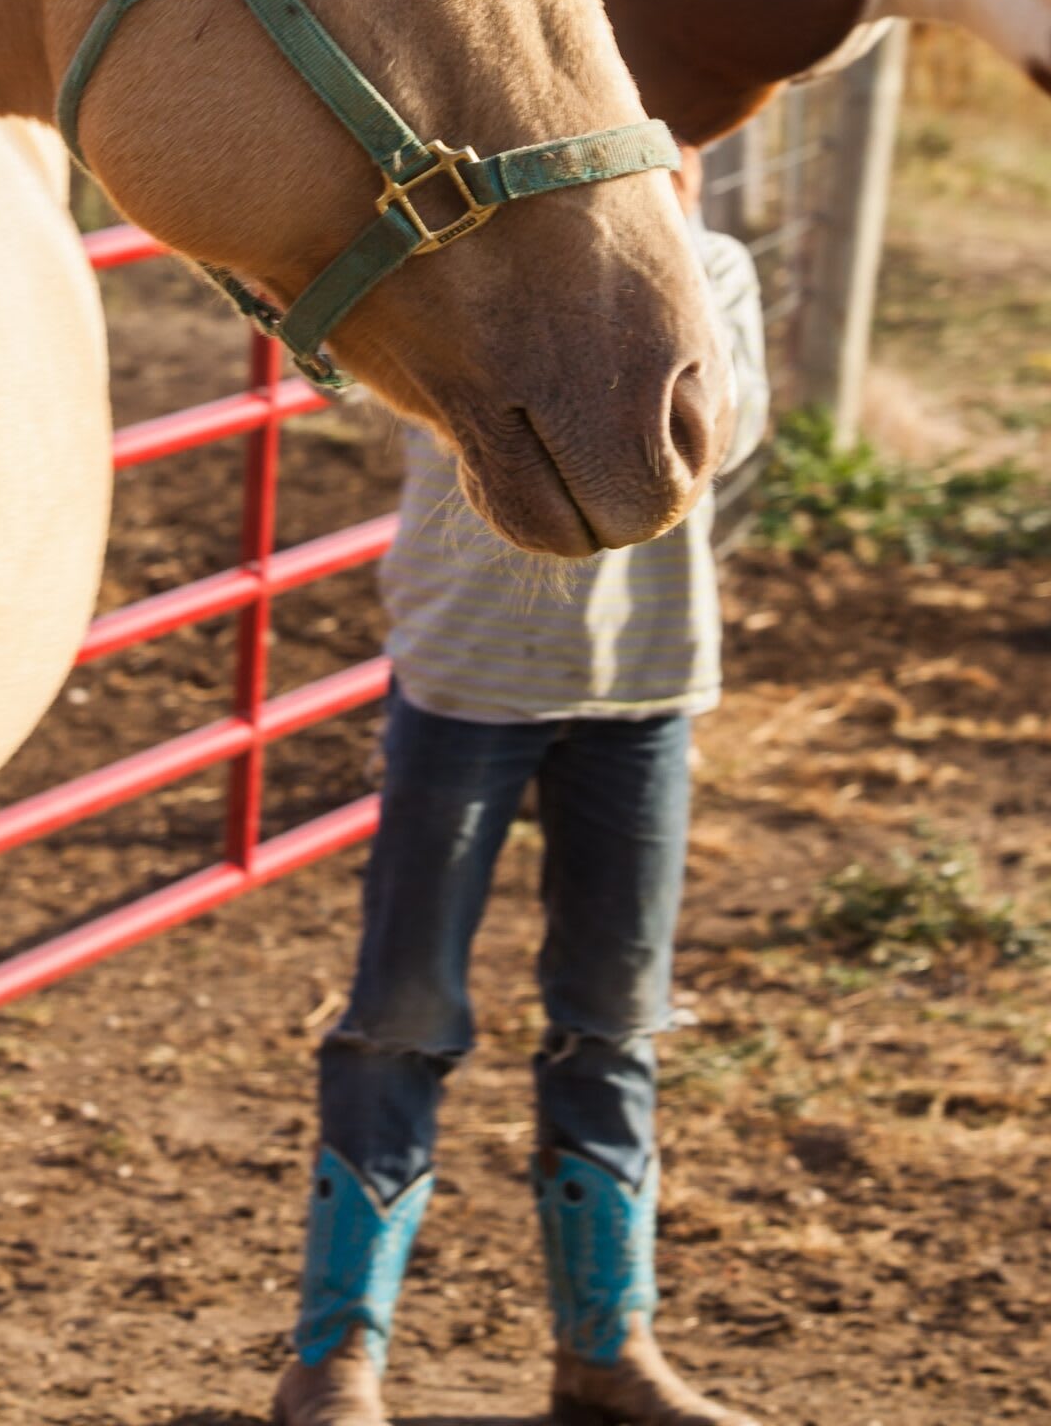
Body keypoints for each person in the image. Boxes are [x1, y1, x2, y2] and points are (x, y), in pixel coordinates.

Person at [272, 150, 769, 1426]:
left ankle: (610, 1352)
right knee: (400, 1008)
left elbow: (727, 433)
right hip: (469, 682)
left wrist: (663, 284)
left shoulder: (713, 273)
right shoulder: (474, 280)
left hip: (643, 689)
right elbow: (358, 369)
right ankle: (336, 1360)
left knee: (615, 1016)